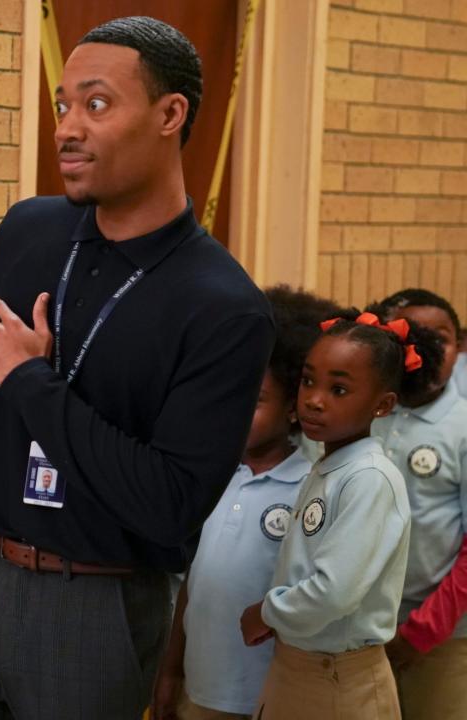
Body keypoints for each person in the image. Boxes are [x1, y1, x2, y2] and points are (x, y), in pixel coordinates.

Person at [0, 16, 274, 719]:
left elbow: (168, 507)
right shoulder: (28, 231)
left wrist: (33, 384)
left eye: (96, 105)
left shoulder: (224, 307)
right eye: (62, 105)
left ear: (171, 114)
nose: (68, 127)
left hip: (101, 601)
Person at [152, 287, 344, 720]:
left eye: (254, 401)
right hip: (200, 690)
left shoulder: (309, 488)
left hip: (272, 695)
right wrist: (170, 672)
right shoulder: (210, 477)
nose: (232, 414)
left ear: (293, 407)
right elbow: (192, 584)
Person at [241, 310, 443, 720]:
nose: (314, 399)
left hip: (336, 679)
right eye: (309, 381)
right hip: (298, 667)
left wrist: (266, 611)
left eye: (339, 389)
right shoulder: (331, 465)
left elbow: (333, 592)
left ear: (383, 405)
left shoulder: (369, 478)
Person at [368, 289, 467, 719]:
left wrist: (421, 632)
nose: (426, 348)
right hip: (361, 631)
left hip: (441, 639)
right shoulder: (365, 413)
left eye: (440, 337)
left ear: (459, 349)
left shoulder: (461, 428)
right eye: (413, 334)